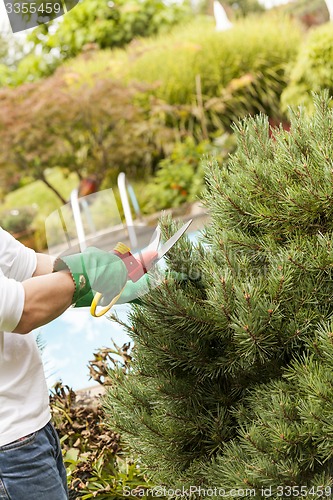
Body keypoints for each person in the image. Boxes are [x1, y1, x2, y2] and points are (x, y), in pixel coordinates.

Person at [0, 226, 155, 500]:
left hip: (32, 431)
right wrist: (88, 273)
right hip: (8, 450)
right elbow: (23, 310)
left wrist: (124, 271)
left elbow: (30, 267)